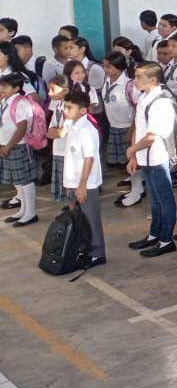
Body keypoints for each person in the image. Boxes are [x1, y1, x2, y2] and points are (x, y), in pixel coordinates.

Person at [124, 62, 177, 257]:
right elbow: (139, 129)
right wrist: (134, 156)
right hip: (144, 157)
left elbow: (151, 136)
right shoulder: (144, 97)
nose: (135, 80)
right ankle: (154, 234)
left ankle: (166, 240)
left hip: (157, 157)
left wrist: (132, 150)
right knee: (154, 199)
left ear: (153, 80)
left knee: (165, 199)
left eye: (139, 76)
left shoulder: (161, 101)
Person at [60, 88, 106, 267]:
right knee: (78, 218)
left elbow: (89, 158)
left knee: (90, 218)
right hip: (73, 181)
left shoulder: (87, 130)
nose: (65, 111)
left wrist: (82, 185)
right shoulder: (72, 125)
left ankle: (97, 253)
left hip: (86, 184)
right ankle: (84, 248)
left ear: (83, 110)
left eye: (69, 107)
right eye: (65, 107)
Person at [0, 73, 40, 225]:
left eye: (5, 86)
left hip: (18, 146)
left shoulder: (21, 103)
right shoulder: (5, 101)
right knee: (17, 181)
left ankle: (30, 213)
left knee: (25, 180)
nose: (1, 88)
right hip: (6, 146)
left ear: (16, 88)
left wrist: (8, 146)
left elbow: (22, 128)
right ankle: (23, 210)